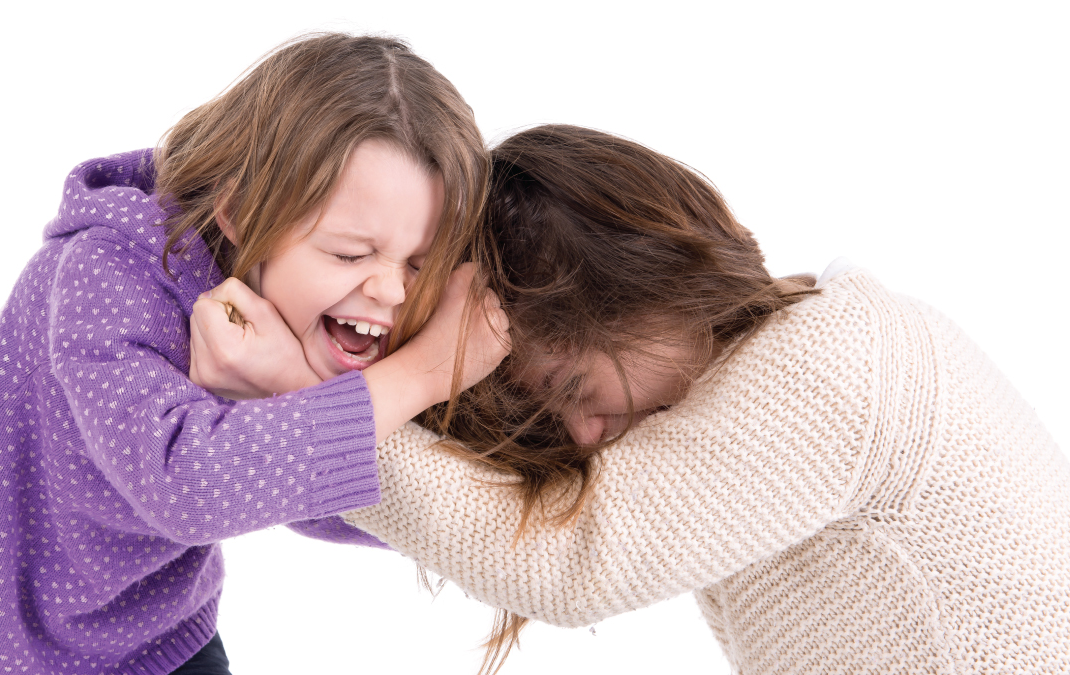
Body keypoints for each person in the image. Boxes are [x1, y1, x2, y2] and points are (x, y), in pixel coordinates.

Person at [0, 33, 507, 675]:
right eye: (349, 254)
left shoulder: (324, 325)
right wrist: (421, 373)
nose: (392, 290)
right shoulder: (104, 273)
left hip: (152, 632)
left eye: (424, 265)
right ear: (237, 209)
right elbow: (189, 488)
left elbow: (326, 495)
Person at [337, 125, 1070, 674]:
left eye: (573, 386)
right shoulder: (797, 354)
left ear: (651, 296)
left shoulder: (832, 368)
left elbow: (569, 562)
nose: (586, 433)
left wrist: (310, 405)